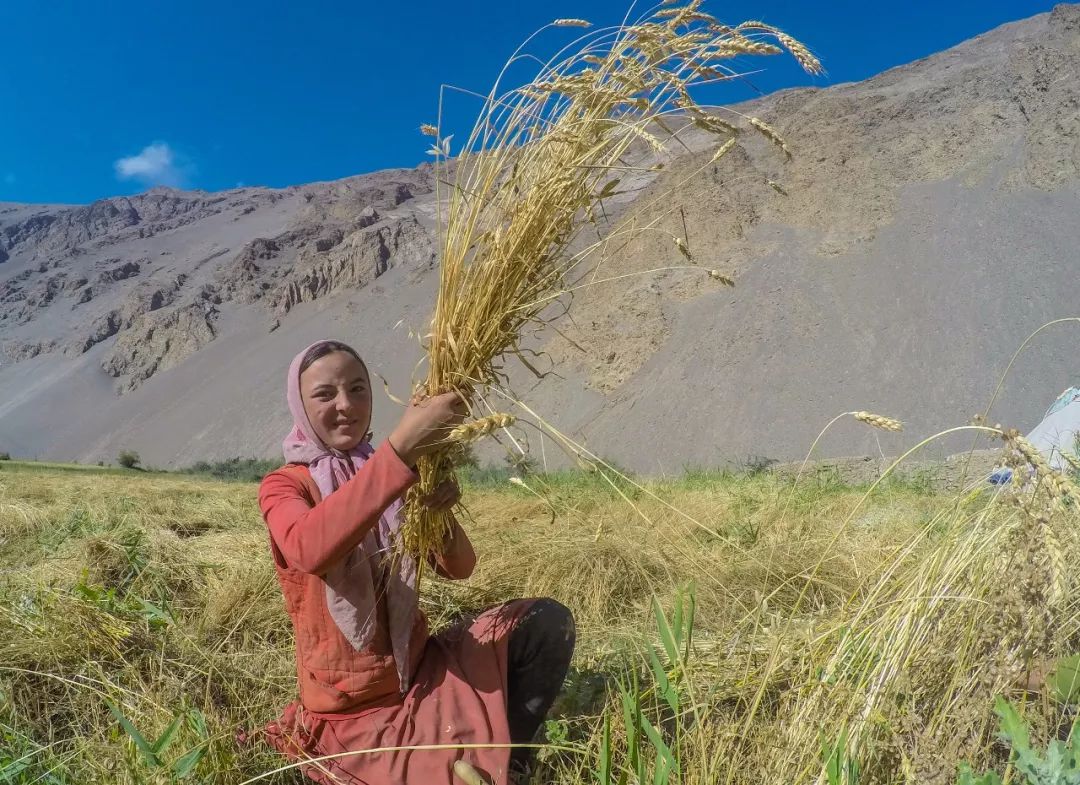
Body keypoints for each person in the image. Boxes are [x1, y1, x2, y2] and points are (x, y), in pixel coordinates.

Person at [257, 339, 575, 785]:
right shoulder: (284, 486)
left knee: (544, 622)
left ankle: (515, 760)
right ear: (300, 405)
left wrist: (437, 514)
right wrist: (402, 449)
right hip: (354, 708)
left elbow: (460, 568)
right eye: (325, 394)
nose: (346, 405)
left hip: (422, 669)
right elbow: (310, 548)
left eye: (357, 389)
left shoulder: (392, 473)